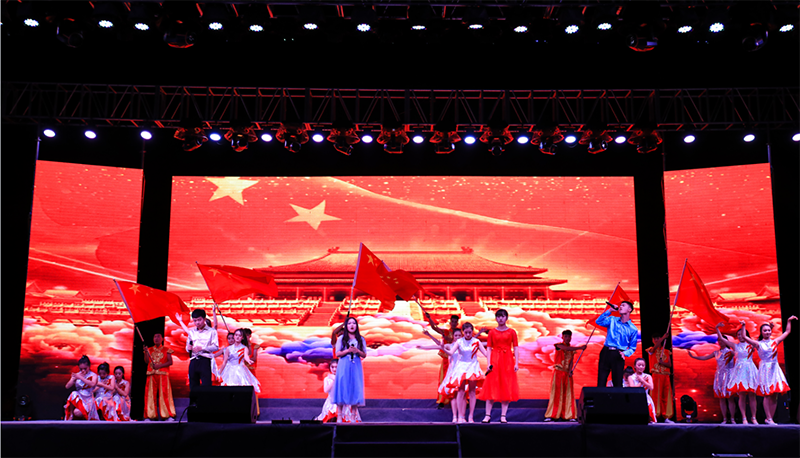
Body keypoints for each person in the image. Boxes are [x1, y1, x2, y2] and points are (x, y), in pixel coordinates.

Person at [743, 316, 796, 425]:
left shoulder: (775, 341)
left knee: (774, 395)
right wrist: (743, 325)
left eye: (768, 330)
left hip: (774, 369)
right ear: (761, 332)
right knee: (767, 394)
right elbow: (744, 336)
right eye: (765, 330)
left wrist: (788, 321)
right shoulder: (758, 344)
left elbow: (787, 332)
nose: (767, 332)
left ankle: (769, 418)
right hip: (765, 370)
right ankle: (768, 417)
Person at [687, 324, 736, 424]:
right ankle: (725, 419)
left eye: (722, 340)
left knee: (730, 398)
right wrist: (693, 357)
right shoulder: (716, 352)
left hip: (729, 376)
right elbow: (705, 357)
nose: (720, 342)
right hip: (719, 376)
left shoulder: (731, 352)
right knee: (721, 398)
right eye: (719, 341)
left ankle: (732, 419)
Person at [479, 309, 520, 424]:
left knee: (506, 386)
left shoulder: (512, 332)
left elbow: (516, 348)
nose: (500, 318)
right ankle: (487, 415)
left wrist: (516, 363)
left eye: (502, 316)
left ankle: (503, 416)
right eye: (498, 316)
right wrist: (488, 363)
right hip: (495, 360)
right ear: (496, 318)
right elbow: (488, 348)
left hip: (507, 360)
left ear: (506, 318)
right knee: (491, 386)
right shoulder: (492, 332)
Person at [443, 322, 486, 423]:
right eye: (466, 332)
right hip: (461, 367)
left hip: (473, 367)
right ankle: (460, 417)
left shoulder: (476, 341)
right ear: (463, 332)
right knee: (461, 391)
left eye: (470, 332)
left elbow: (486, 353)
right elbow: (451, 352)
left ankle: (470, 416)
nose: (468, 334)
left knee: (472, 392)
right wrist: (442, 348)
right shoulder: (459, 341)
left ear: (472, 331)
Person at [421, 327, 463, 422]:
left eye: (459, 335)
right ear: (453, 336)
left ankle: (461, 416)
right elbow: (438, 346)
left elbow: (477, 343)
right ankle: (454, 416)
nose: (457, 337)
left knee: (461, 395)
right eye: (456, 335)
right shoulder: (450, 346)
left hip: (462, 372)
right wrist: (424, 345)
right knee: (452, 395)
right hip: (452, 372)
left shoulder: (465, 346)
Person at [544, 330, 587, 422]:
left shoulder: (571, 349)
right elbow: (567, 348)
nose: (567, 338)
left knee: (568, 394)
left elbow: (571, 361)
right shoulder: (559, 345)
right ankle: (551, 415)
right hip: (558, 373)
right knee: (556, 394)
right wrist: (580, 347)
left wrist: (570, 371)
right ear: (562, 337)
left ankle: (568, 415)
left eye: (569, 336)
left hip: (566, 374)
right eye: (566, 336)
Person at [595, 300, 639, 388]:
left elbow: (632, 348)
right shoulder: (612, 320)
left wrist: (624, 353)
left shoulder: (633, 329)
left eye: (623, 305)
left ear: (629, 309)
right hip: (606, 351)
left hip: (619, 354)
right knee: (601, 380)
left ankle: (618, 397)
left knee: (617, 382)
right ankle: (600, 397)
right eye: (620, 305)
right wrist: (609, 311)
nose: (620, 307)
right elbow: (598, 322)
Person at [333, 316, 367, 423]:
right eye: (349, 323)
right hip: (344, 364)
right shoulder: (341, 339)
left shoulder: (361, 339)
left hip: (356, 365)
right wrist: (347, 351)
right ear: (346, 326)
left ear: (357, 326)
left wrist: (357, 351)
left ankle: (353, 416)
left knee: (355, 387)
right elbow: (338, 353)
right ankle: (339, 416)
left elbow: (364, 354)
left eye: (354, 323)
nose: (352, 325)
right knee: (342, 386)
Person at [724, 321, 759, 424]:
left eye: (742, 334)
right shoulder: (735, 346)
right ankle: (744, 417)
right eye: (738, 334)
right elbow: (722, 339)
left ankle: (753, 417)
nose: (740, 336)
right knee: (742, 395)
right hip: (739, 371)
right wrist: (717, 329)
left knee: (752, 395)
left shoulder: (751, 345)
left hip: (750, 370)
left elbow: (760, 340)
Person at [176, 309, 219, 390]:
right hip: (193, 361)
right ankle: (194, 398)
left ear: (204, 319)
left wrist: (202, 348)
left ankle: (206, 398)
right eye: (195, 321)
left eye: (199, 320)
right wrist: (188, 348)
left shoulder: (212, 331)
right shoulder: (192, 332)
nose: (197, 323)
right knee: (193, 386)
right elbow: (187, 347)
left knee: (206, 386)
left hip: (205, 360)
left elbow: (216, 347)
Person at [425, 313, 460, 408]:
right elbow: (434, 327)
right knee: (444, 379)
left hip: (457, 360)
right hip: (446, 360)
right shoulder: (445, 332)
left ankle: (461, 400)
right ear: (450, 322)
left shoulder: (459, 334)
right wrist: (429, 318)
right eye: (452, 321)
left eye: (455, 322)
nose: (453, 323)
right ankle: (442, 400)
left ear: (457, 323)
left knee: (458, 380)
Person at [143, 332, 176, 421]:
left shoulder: (166, 350)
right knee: (149, 395)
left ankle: (167, 415)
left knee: (164, 394)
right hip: (151, 373)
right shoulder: (149, 350)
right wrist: (145, 352)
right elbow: (146, 361)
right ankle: (149, 416)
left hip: (163, 374)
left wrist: (159, 366)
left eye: (158, 337)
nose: (156, 338)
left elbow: (170, 362)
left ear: (162, 339)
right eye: (155, 337)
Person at [219, 329, 260, 393]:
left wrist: (248, 360)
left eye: (240, 335)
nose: (237, 337)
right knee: (228, 388)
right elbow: (225, 362)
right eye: (236, 335)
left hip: (240, 369)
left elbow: (246, 356)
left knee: (240, 389)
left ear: (242, 337)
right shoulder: (228, 349)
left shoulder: (244, 348)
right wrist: (219, 372)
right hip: (229, 370)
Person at [646, 330, 675, 423]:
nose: (656, 340)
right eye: (654, 338)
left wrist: (663, 363)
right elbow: (655, 348)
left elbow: (669, 365)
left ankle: (666, 417)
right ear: (652, 340)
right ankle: (654, 416)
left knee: (666, 396)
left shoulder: (666, 351)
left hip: (665, 375)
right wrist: (663, 337)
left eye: (657, 338)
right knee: (655, 396)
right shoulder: (651, 350)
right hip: (656, 375)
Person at [64, 355, 99, 420]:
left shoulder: (93, 375)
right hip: (79, 397)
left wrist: (81, 378)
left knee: (78, 412)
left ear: (89, 366)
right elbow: (67, 386)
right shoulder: (77, 375)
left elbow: (92, 384)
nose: (83, 370)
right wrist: (73, 379)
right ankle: (71, 415)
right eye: (81, 369)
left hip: (88, 399)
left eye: (85, 369)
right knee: (74, 393)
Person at [627, 357, 657, 424]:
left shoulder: (648, 376)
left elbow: (651, 387)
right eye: (639, 365)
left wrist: (643, 381)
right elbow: (632, 388)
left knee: (650, 420)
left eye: (643, 365)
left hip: (645, 398)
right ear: (635, 366)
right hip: (634, 398)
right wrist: (640, 383)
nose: (641, 367)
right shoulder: (631, 377)